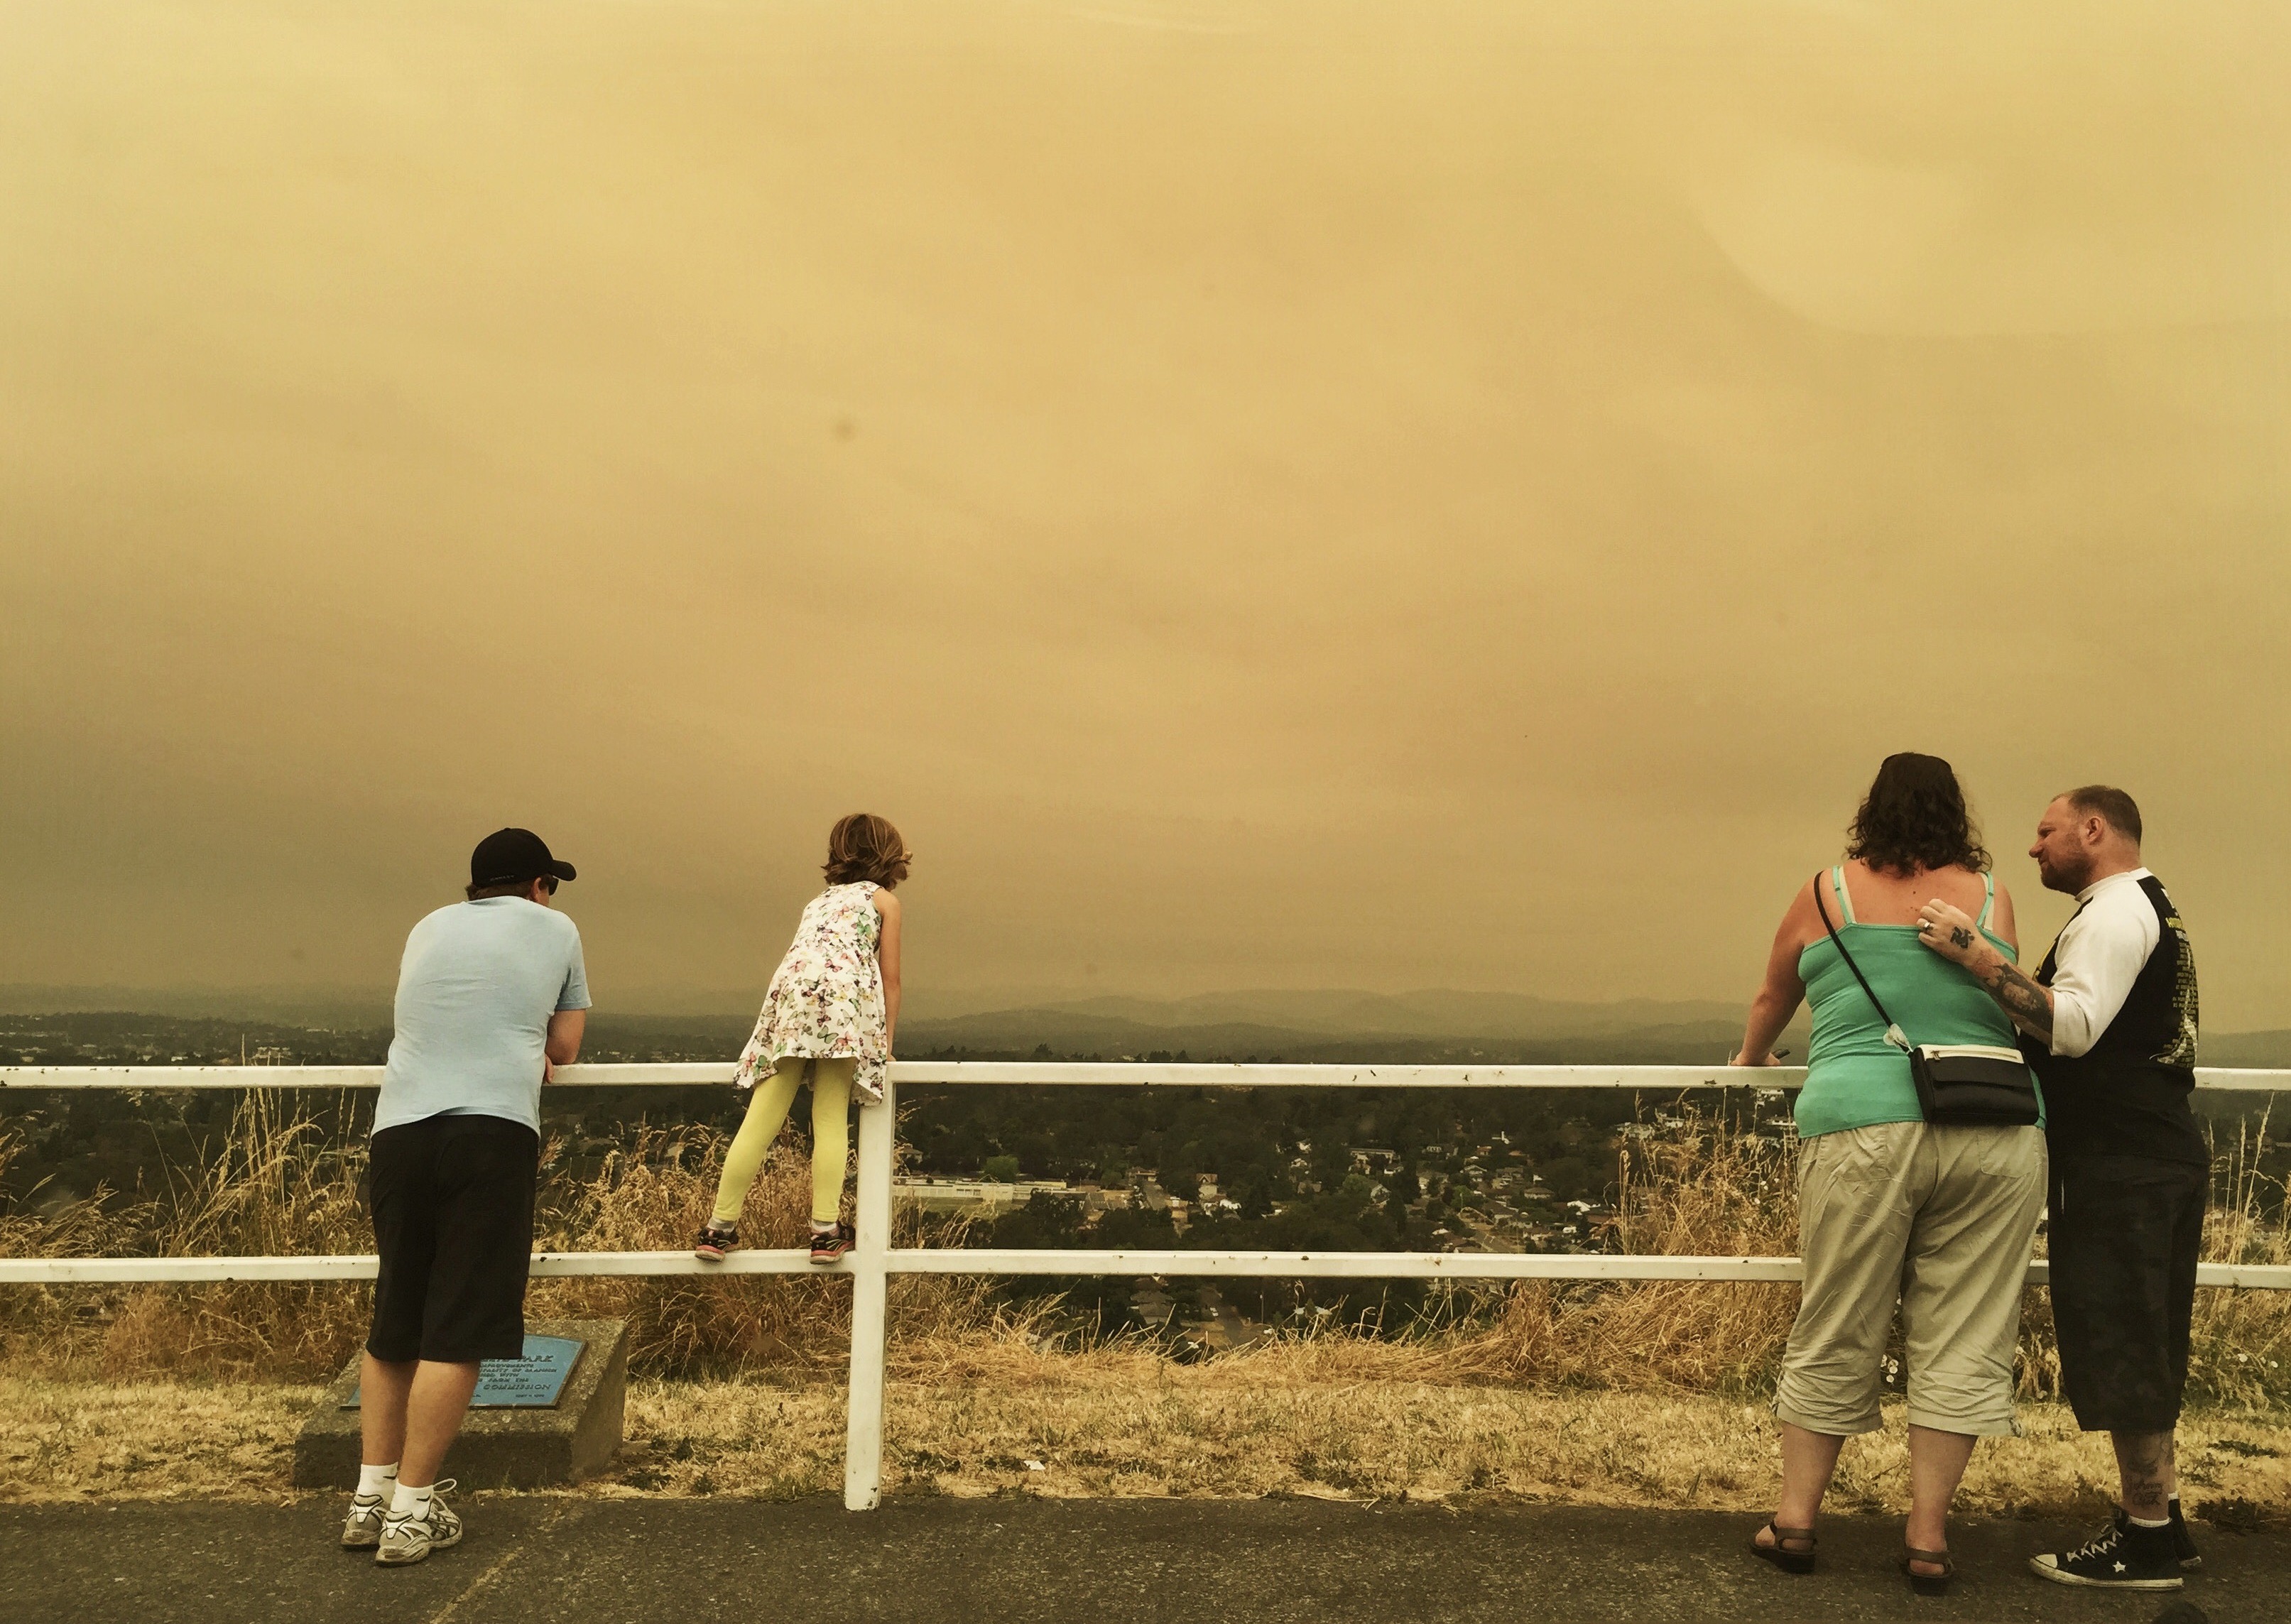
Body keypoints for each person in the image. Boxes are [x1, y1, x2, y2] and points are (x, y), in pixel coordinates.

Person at [1729, 754, 2046, 1596]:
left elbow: (1772, 995)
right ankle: (1928, 1538)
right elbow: (2015, 994)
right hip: (1995, 1126)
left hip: (1864, 1119)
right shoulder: (1988, 896)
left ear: (1871, 809)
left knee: (1839, 1315)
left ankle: (1796, 1520)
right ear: (1956, 812)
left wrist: (1752, 1057)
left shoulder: (1826, 893)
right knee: (1967, 1328)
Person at [1915, 785, 2205, 1591]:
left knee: (2121, 1338)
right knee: (2142, 1332)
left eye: (2045, 832)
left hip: (2123, 1162)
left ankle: (2144, 1539)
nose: (2034, 848)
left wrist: (1973, 953)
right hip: (2152, 1151)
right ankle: (2164, 1520)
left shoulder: (2113, 914)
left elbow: (2071, 1027)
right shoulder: (2150, 905)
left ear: (2093, 828)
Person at [342, 828, 589, 1567]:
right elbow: (566, 1045)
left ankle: (369, 1496)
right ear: (540, 884)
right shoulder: (557, 928)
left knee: (398, 1320)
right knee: (460, 1324)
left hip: (399, 1131)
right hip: (490, 1131)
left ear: (475, 885)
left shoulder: (427, 926)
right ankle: (414, 1511)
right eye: (552, 883)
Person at [695, 813, 907, 1265]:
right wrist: (884, 1043)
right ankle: (825, 1231)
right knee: (829, 1116)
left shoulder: (819, 902)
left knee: (762, 1116)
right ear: (889, 854)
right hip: (842, 1002)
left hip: (792, 998)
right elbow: (891, 981)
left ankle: (718, 1227)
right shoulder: (885, 902)